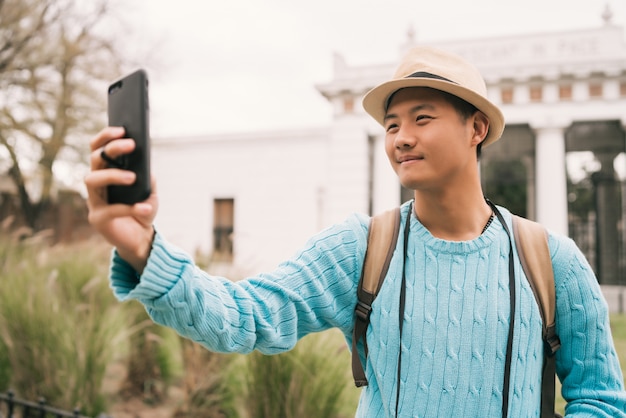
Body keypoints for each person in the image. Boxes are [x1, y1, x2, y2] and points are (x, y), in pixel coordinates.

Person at [85, 46, 626, 417]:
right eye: (391, 125)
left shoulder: (550, 260)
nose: (401, 138)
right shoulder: (362, 248)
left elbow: (599, 397)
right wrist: (143, 249)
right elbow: (243, 317)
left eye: (422, 118)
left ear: (476, 128)